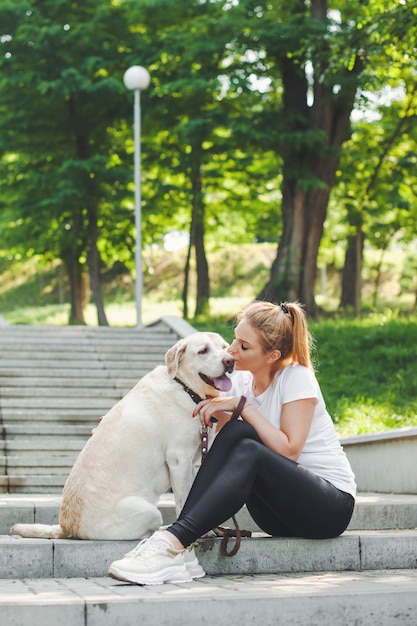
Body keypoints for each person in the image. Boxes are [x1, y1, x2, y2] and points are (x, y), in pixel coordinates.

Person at [108, 300, 356, 585]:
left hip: (328, 508)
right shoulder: (237, 383)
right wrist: (120, 425)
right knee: (239, 435)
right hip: (275, 514)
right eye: (234, 339)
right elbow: (175, 404)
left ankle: (173, 542)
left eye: (244, 346)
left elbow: (289, 450)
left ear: (272, 355)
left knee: (248, 444)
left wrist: (243, 407)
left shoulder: (297, 377)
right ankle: (182, 544)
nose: (230, 351)